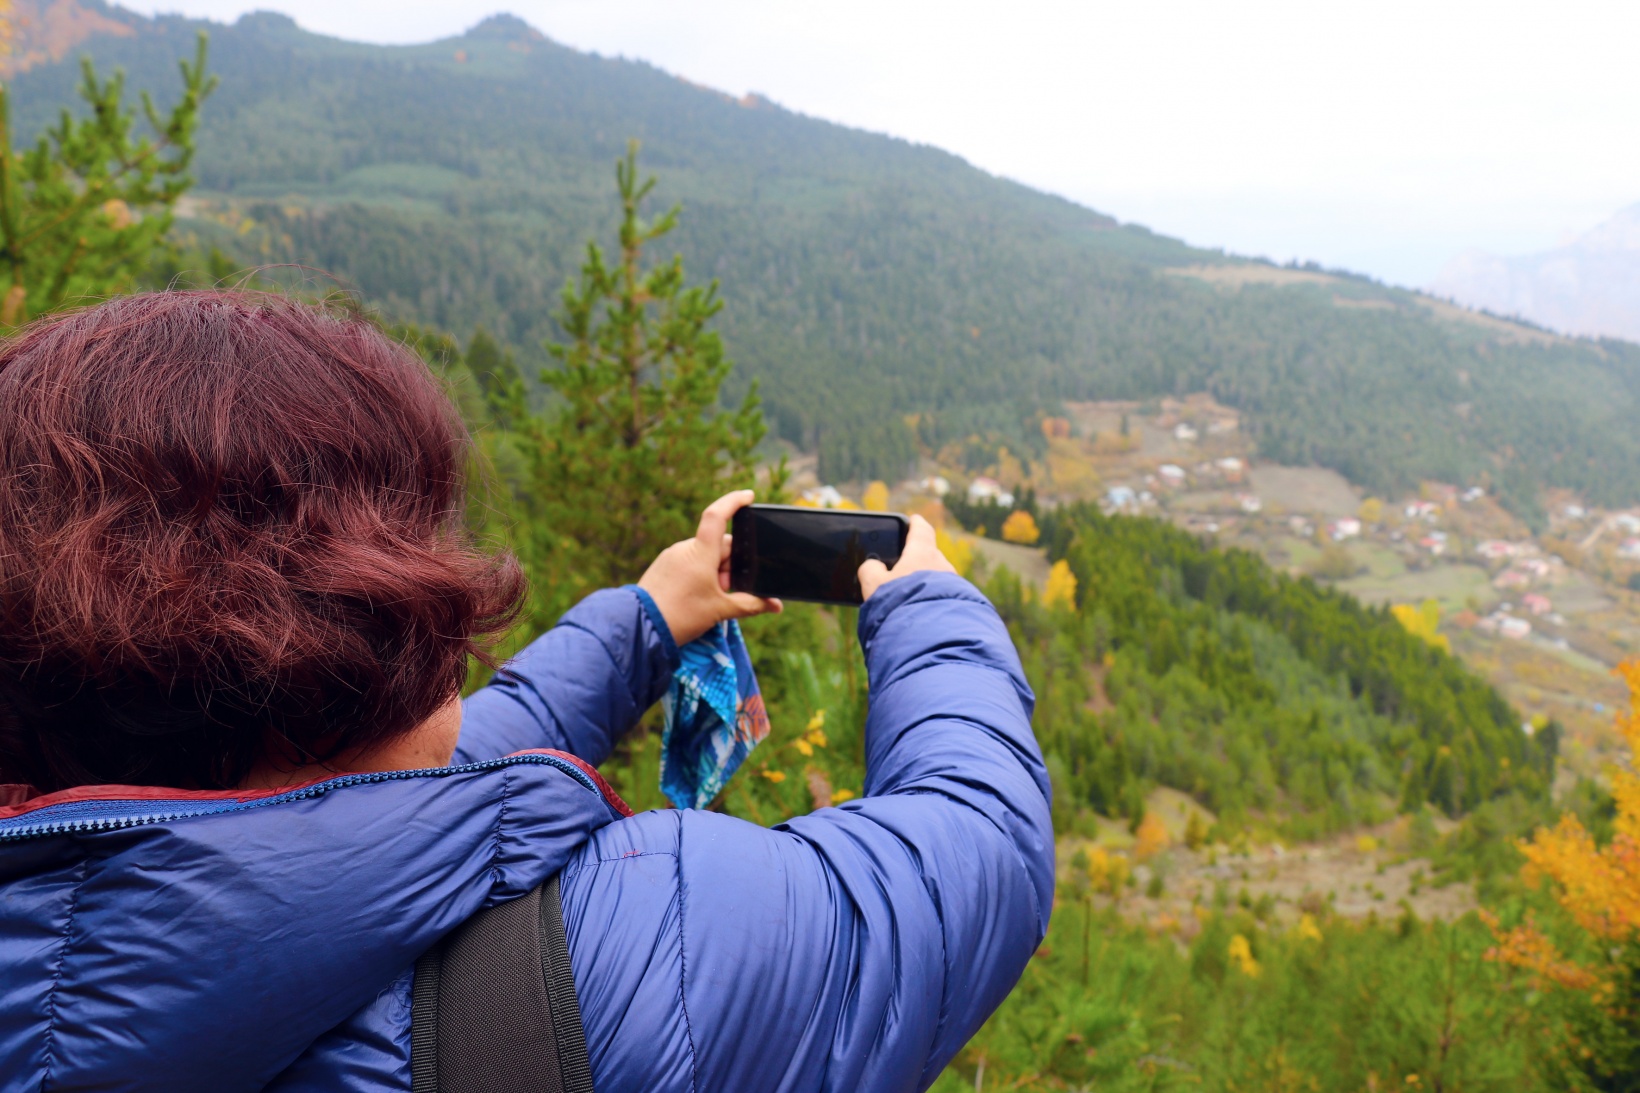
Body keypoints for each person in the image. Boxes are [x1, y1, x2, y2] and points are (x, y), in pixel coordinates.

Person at [0, 292, 1053, 1091]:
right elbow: (979, 847)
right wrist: (931, 610)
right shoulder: (645, 947)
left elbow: (425, 789)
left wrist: (645, 619)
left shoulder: (58, 933)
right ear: (373, 614)